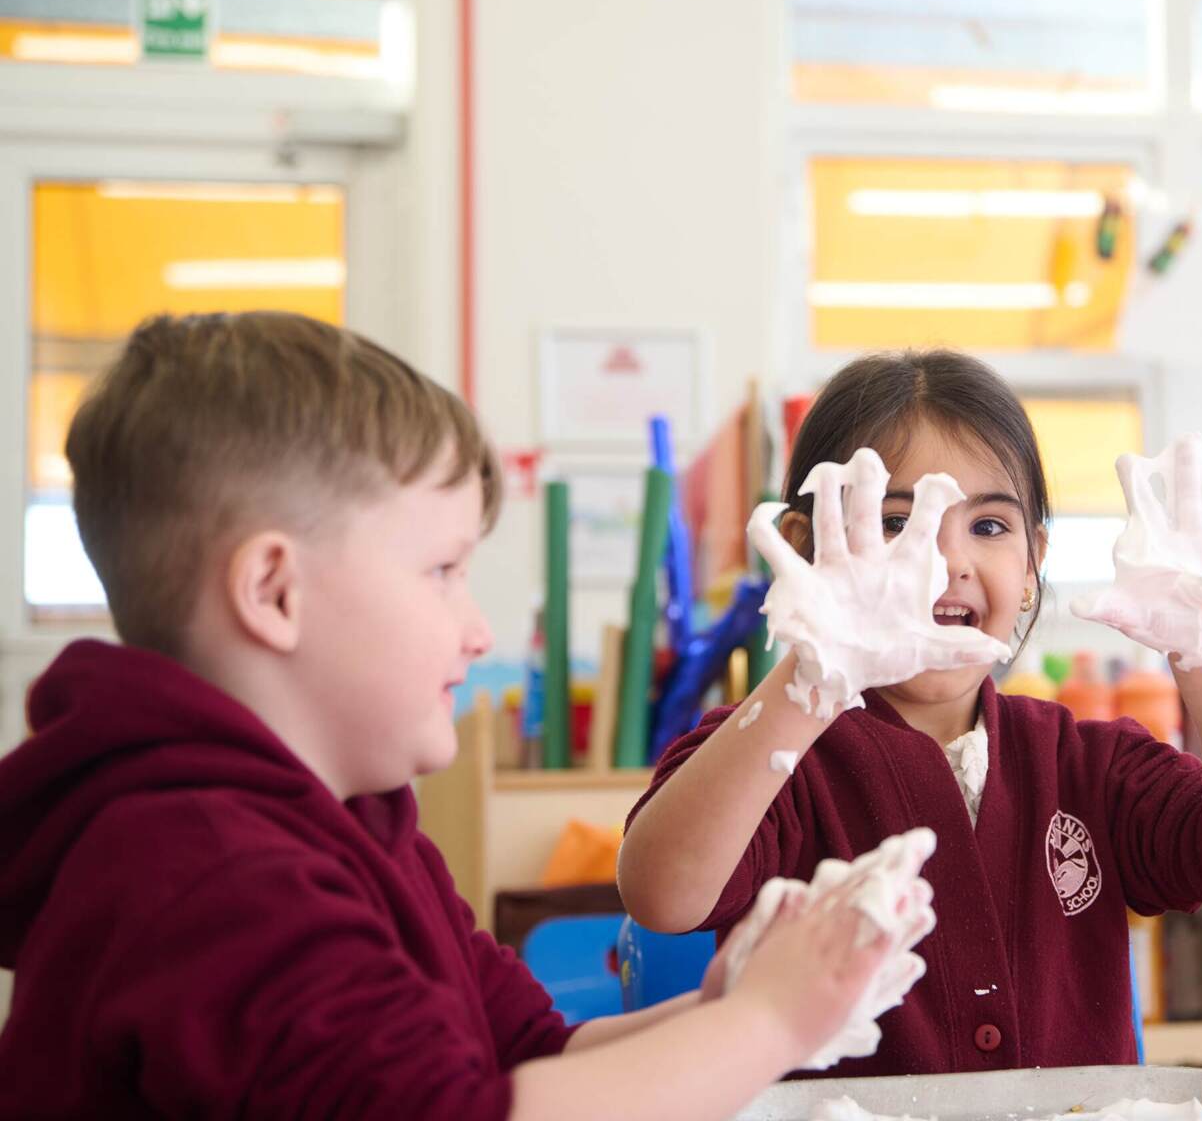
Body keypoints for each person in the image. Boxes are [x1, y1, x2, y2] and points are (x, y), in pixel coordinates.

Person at [0, 312, 889, 1120]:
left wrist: (729, 1007)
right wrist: (771, 1021)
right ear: (274, 591)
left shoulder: (356, 824)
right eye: (442, 571)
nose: (478, 632)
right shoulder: (210, 873)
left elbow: (528, 1052)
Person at [619, 348, 1202, 1077]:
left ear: (1034, 559)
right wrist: (806, 684)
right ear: (803, 549)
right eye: (894, 523)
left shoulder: (1084, 763)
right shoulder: (774, 759)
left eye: (988, 527)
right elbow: (663, 895)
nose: (949, 560)